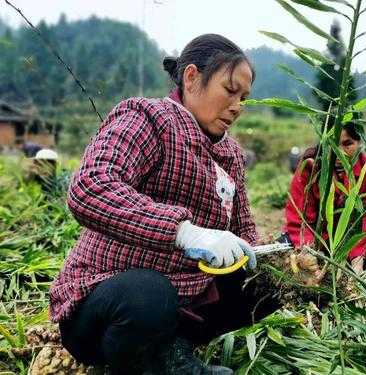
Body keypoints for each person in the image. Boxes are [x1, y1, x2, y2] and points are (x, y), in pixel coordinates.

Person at [49, 34, 260, 375]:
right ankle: (153, 363)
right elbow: (91, 185)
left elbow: (243, 227)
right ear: (191, 78)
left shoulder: (231, 155)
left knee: (260, 286)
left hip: (185, 302)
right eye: (230, 90)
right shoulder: (148, 118)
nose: (237, 105)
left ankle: (173, 349)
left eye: (244, 98)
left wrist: (274, 258)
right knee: (150, 294)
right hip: (108, 305)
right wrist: (184, 232)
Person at [281, 122, 366, 275]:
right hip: (317, 238)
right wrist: (307, 251)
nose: (340, 153)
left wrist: (357, 257)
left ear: (359, 142)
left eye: (348, 144)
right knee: (283, 250)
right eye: (333, 145)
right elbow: (298, 217)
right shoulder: (310, 165)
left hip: (351, 238)